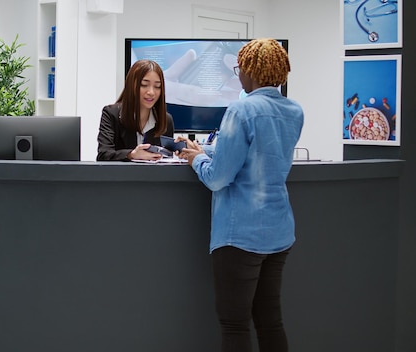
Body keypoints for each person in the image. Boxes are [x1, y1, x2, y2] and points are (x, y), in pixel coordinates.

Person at [177, 38, 304, 352]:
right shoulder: (294, 111)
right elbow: (258, 152)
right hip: (278, 231)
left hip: (240, 234)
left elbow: (218, 178)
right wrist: (206, 149)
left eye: (238, 69)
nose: (238, 75)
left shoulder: (241, 109)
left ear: (250, 71)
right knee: (270, 321)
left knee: (235, 325)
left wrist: (197, 160)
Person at [96, 59, 174, 161]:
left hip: (154, 176)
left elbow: (168, 160)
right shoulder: (111, 114)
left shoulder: (166, 120)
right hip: (121, 176)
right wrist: (131, 154)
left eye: (157, 86)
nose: (151, 92)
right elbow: (103, 155)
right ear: (131, 85)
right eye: (144, 85)